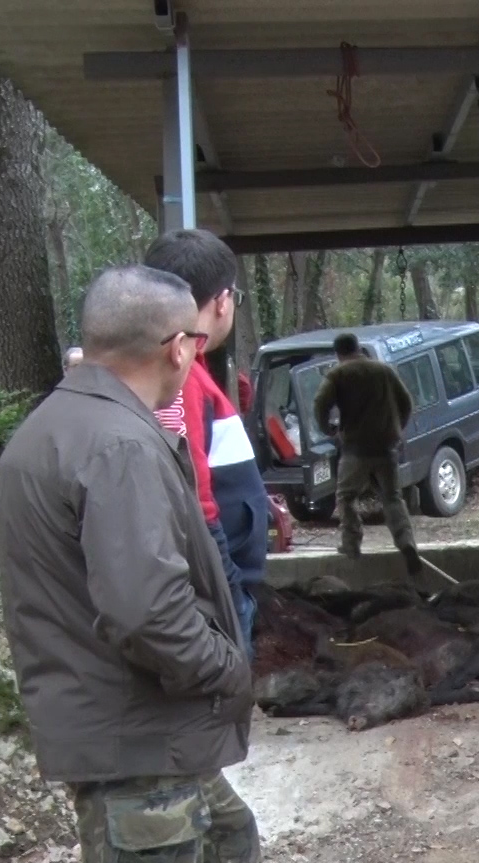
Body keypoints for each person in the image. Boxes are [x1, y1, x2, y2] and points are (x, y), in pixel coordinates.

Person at [0, 265, 313, 863]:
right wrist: (227, 670)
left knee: (227, 842)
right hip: (135, 736)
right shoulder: (120, 445)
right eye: (195, 344)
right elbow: (146, 612)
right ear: (178, 348)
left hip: (146, 731)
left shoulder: (61, 423)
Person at [144, 228, 268, 660]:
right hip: (216, 580)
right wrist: (226, 584)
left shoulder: (187, 369)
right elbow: (193, 495)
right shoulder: (181, 378)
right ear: (222, 300)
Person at [314, 332, 421, 576]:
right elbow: (406, 401)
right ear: (358, 348)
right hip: (386, 447)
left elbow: (320, 403)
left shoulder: (338, 374)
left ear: (338, 353)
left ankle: (351, 544)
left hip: (356, 449)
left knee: (346, 496)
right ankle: (406, 543)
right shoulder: (384, 370)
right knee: (392, 497)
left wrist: (328, 429)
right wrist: (396, 429)